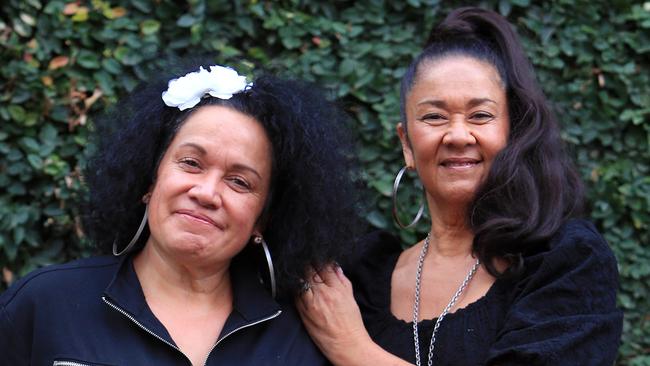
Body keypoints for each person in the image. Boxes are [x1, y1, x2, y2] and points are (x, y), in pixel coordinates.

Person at [297, 7, 623, 366]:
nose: (456, 135)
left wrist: (352, 348)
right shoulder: (356, 281)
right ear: (407, 144)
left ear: (512, 132)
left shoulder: (565, 262)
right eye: (434, 117)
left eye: (480, 116)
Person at [0, 63, 360, 365]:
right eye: (190, 163)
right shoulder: (44, 305)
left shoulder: (296, 337)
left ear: (263, 219)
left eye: (239, 182)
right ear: (149, 179)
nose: (206, 193)